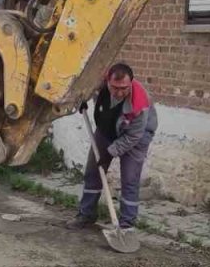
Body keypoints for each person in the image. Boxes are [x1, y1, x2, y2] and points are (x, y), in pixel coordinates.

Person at [67, 62, 158, 232]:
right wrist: (81, 100)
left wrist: (111, 151)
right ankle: (86, 214)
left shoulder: (139, 104)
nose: (119, 92)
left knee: (129, 179)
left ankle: (126, 225)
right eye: (115, 87)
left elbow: (133, 136)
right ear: (108, 81)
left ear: (131, 82)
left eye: (124, 88)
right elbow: (82, 87)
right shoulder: (99, 83)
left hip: (136, 137)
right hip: (106, 130)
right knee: (93, 171)